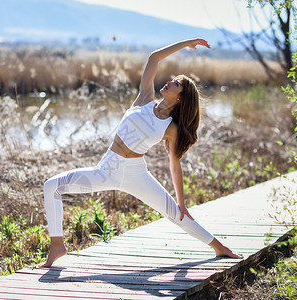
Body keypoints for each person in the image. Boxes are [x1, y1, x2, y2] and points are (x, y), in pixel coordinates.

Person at [40, 39, 243, 268]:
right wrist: (186, 44)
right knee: (51, 186)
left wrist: (182, 202)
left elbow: (174, 165)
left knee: (176, 214)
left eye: (176, 83)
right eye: (172, 79)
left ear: (181, 97)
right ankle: (57, 245)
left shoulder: (171, 128)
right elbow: (154, 58)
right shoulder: (145, 98)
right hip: (107, 169)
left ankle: (219, 248)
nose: (169, 82)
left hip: (137, 174)